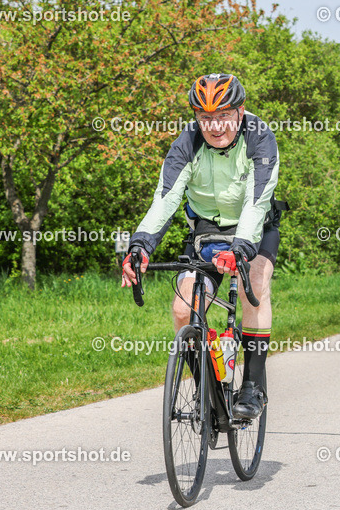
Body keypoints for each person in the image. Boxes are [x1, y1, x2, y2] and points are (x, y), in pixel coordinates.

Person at [121, 73, 283, 421]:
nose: (214, 125)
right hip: (206, 231)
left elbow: (257, 203)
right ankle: (205, 385)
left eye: (223, 115)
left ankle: (253, 386)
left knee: (255, 283)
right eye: (205, 117)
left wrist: (241, 249)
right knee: (184, 308)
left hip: (253, 227)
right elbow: (165, 199)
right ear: (196, 117)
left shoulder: (260, 138)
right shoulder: (187, 142)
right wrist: (141, 246)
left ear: (239, 113)